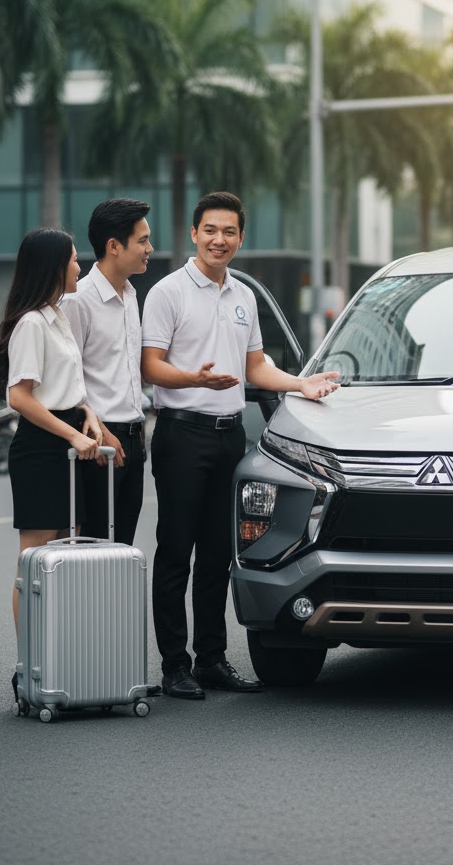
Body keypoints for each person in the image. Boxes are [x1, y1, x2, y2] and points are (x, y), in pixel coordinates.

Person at [141, 191, 339, 699]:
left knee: (217, 555)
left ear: (240, 238)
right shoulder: (167, 292)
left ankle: (211, 660)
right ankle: (174, 666)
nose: (219, 240)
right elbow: (151, 365)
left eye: (229, 232)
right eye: (210, 230)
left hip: (230, 436)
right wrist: (195, 379)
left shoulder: (243, 295)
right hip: (182, 433)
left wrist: (300, 384)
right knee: (176, 552)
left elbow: (255, 368)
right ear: (194, 233)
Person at [0, 228, 102, 635]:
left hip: (70, 442)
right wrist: (71, 434)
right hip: (41, 448)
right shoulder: (31, 323)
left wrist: (87, 413)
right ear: (54, 267)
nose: (79, 267)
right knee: (34, 563)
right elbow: (19, 397)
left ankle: (58, 658)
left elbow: (65, 384)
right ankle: (29, 662)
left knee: (66, 558)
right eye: (73, 260)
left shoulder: (58, 317)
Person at [61, 198, 153, 546]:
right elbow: (66, 379)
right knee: (94, 551)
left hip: (133, 438)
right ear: (114, 246)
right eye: (142, 240)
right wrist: (100, 431)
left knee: (122, 549)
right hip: (100, 442)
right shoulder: (78, 300)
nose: (150, 248)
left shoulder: (130, 294)